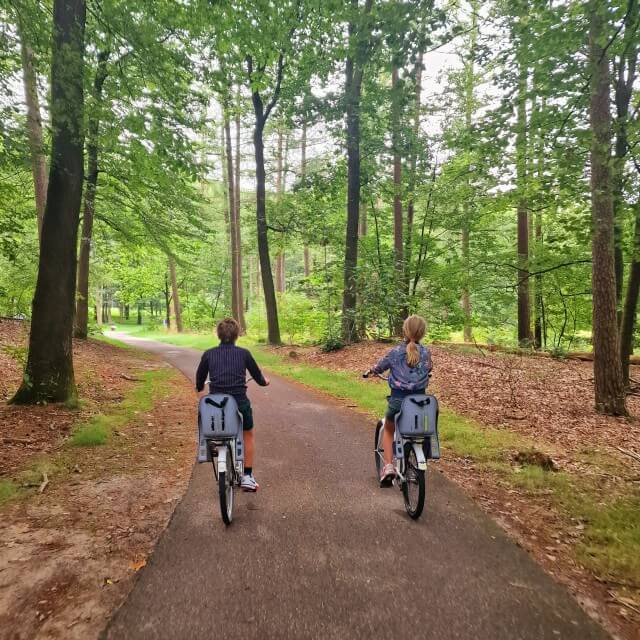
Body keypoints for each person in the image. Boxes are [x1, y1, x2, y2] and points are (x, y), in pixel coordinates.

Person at [195, 318, 270, 492]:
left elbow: (199, 381)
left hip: (216, 405)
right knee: (248, 434)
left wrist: (199, 388)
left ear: (218, 335)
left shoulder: (208, 354)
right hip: (239, 404)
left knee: (209, 419)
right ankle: (248, 476)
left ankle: (210, 444)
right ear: (237, 335)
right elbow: (259, 379)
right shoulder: (244, 354)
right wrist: (265, 382)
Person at [367, 315, 433, 486]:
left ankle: (388, 466)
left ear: (404, 331)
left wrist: (372, 371)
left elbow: (380, 366)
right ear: (422, 333)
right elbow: (429, 368)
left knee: (389, 429)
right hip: (420, 404)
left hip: (398, 401)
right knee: (418, 431)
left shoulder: (395, 352)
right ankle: (417, 463)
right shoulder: (426, 352)